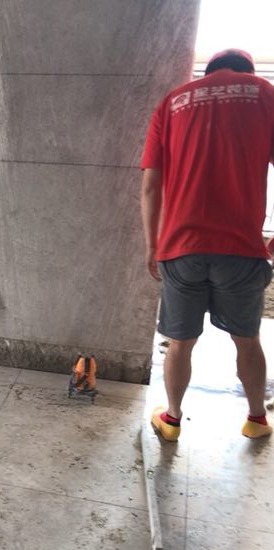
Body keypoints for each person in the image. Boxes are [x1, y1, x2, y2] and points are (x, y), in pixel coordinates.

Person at [140, 48, 274, 441]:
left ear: (208, 72)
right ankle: (256, 420)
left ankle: (172, 420)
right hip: (241, 247)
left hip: (181, 245)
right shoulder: (264, 94)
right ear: (247, 71)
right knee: (246, 339)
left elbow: (150, 185)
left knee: (179, 343)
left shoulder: (172, 102)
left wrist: (152, 245)